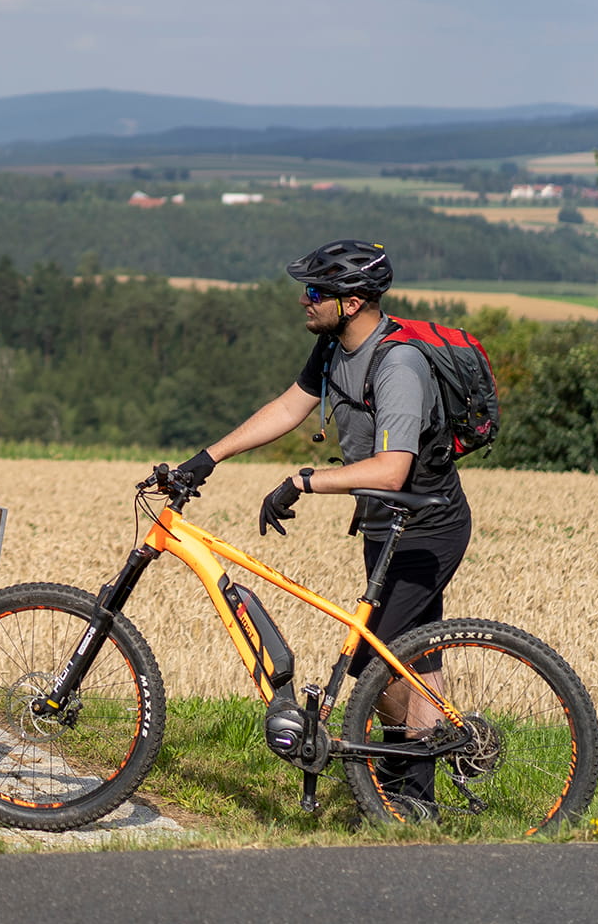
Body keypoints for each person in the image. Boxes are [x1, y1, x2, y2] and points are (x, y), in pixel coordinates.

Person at [168, 240, 472, 816]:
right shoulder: (334, 348)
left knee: (377, 664)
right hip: (386, 524)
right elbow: (288, 408)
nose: (304, 302)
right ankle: (409, 792)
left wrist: (302, 482)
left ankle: (407, 797)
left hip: (427, 526)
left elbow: (392, 468)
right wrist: (208, 458)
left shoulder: (398, 364)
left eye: (315, 293)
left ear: (352, 302)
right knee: (411, 661)